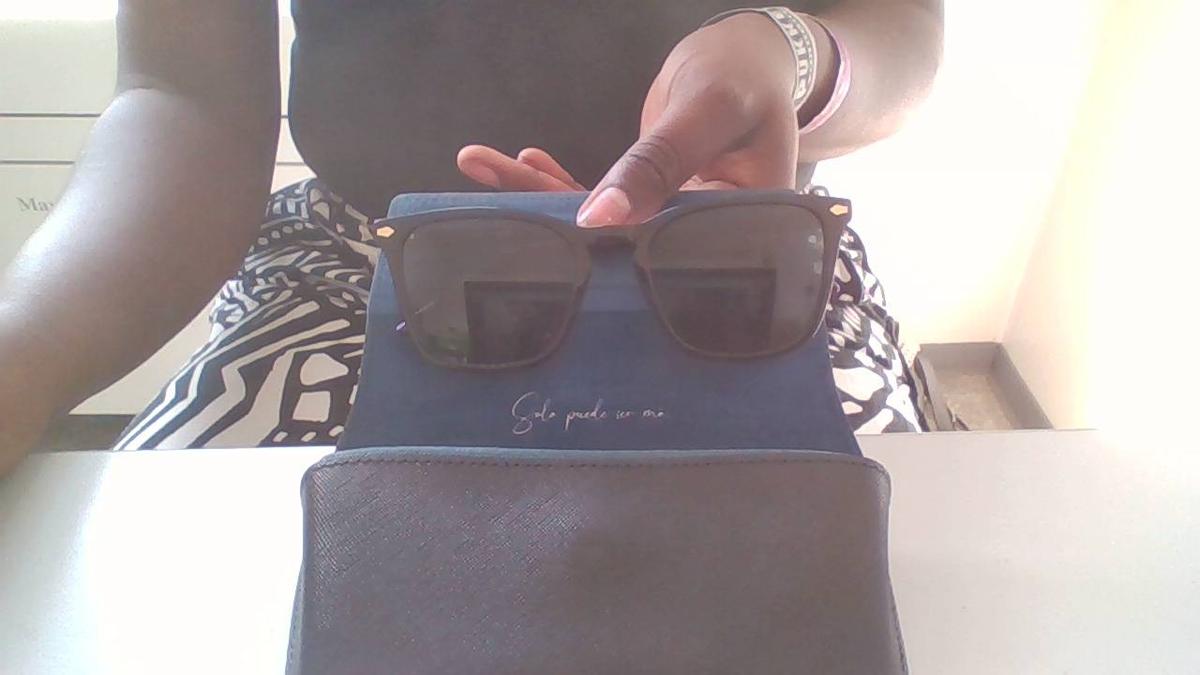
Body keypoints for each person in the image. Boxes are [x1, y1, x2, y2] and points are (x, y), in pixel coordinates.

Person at [0, 1, 942, 471]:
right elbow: (185, 97)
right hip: (354, 266)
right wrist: (21, 350)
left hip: (739, 261)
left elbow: (899, 32)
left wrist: (793, 51)